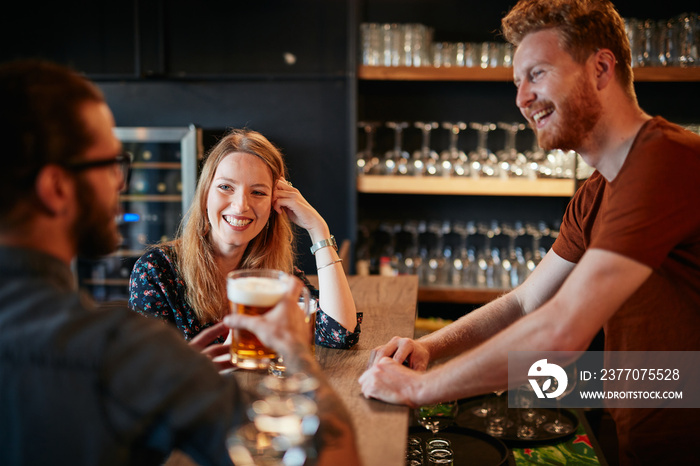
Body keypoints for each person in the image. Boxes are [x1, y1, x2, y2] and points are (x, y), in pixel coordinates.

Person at [359, 1, 700, 464]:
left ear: (601, 68)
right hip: (645, 430)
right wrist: (428, 348)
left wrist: (421, 388)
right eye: (517, 82)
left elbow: (561, 330)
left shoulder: (667, 162)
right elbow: (526, 301)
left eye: (537, 74)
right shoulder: (597, 191)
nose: (521, 98)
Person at [0, 58, 358, 465]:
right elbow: (333, 456)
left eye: (257, 192)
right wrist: (298, 357)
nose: (122, 181)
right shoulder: (125, 349)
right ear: (56, 188)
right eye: (111, 164)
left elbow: (339, 333)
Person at [128, 128, 361, 355]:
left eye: (258, 192)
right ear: (205, 194)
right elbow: (149, 375)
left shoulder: (273, 273)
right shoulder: (155, 272)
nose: (240, 206)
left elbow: (339, 334)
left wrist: (318, 230)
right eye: (225, 187)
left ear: (274, 205)